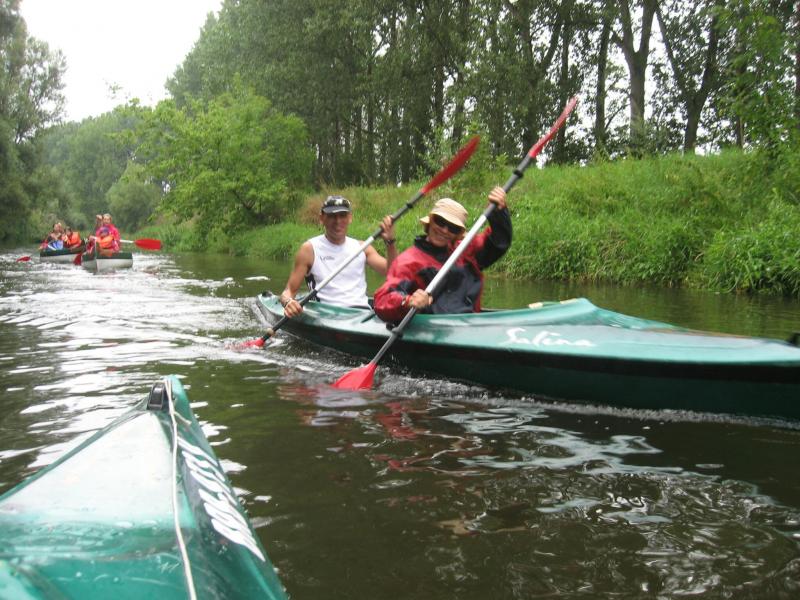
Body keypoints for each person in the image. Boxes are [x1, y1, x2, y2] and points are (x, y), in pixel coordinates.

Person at [373, 187, 510, 322]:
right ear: (430, 222)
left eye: (453, 228)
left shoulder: (466, 251)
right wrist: (407, 301)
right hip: (430, 330)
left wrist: (499, 213)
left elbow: (499, 243)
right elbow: (382, 300)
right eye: (440, 222)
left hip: (469, 326)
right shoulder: (408, 262)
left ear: (458, 234)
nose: (444, 230)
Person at [278, 195, 397, 317]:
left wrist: (390, 242)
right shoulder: (309, 249)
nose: (337, 221)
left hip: (361, 314)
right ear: (322, 218)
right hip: (326, 315)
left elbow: (392, 272)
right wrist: (288, 302)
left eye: (342, 215)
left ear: (350, 218)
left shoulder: (363, 247)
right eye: (331, 216)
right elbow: (288, 292)